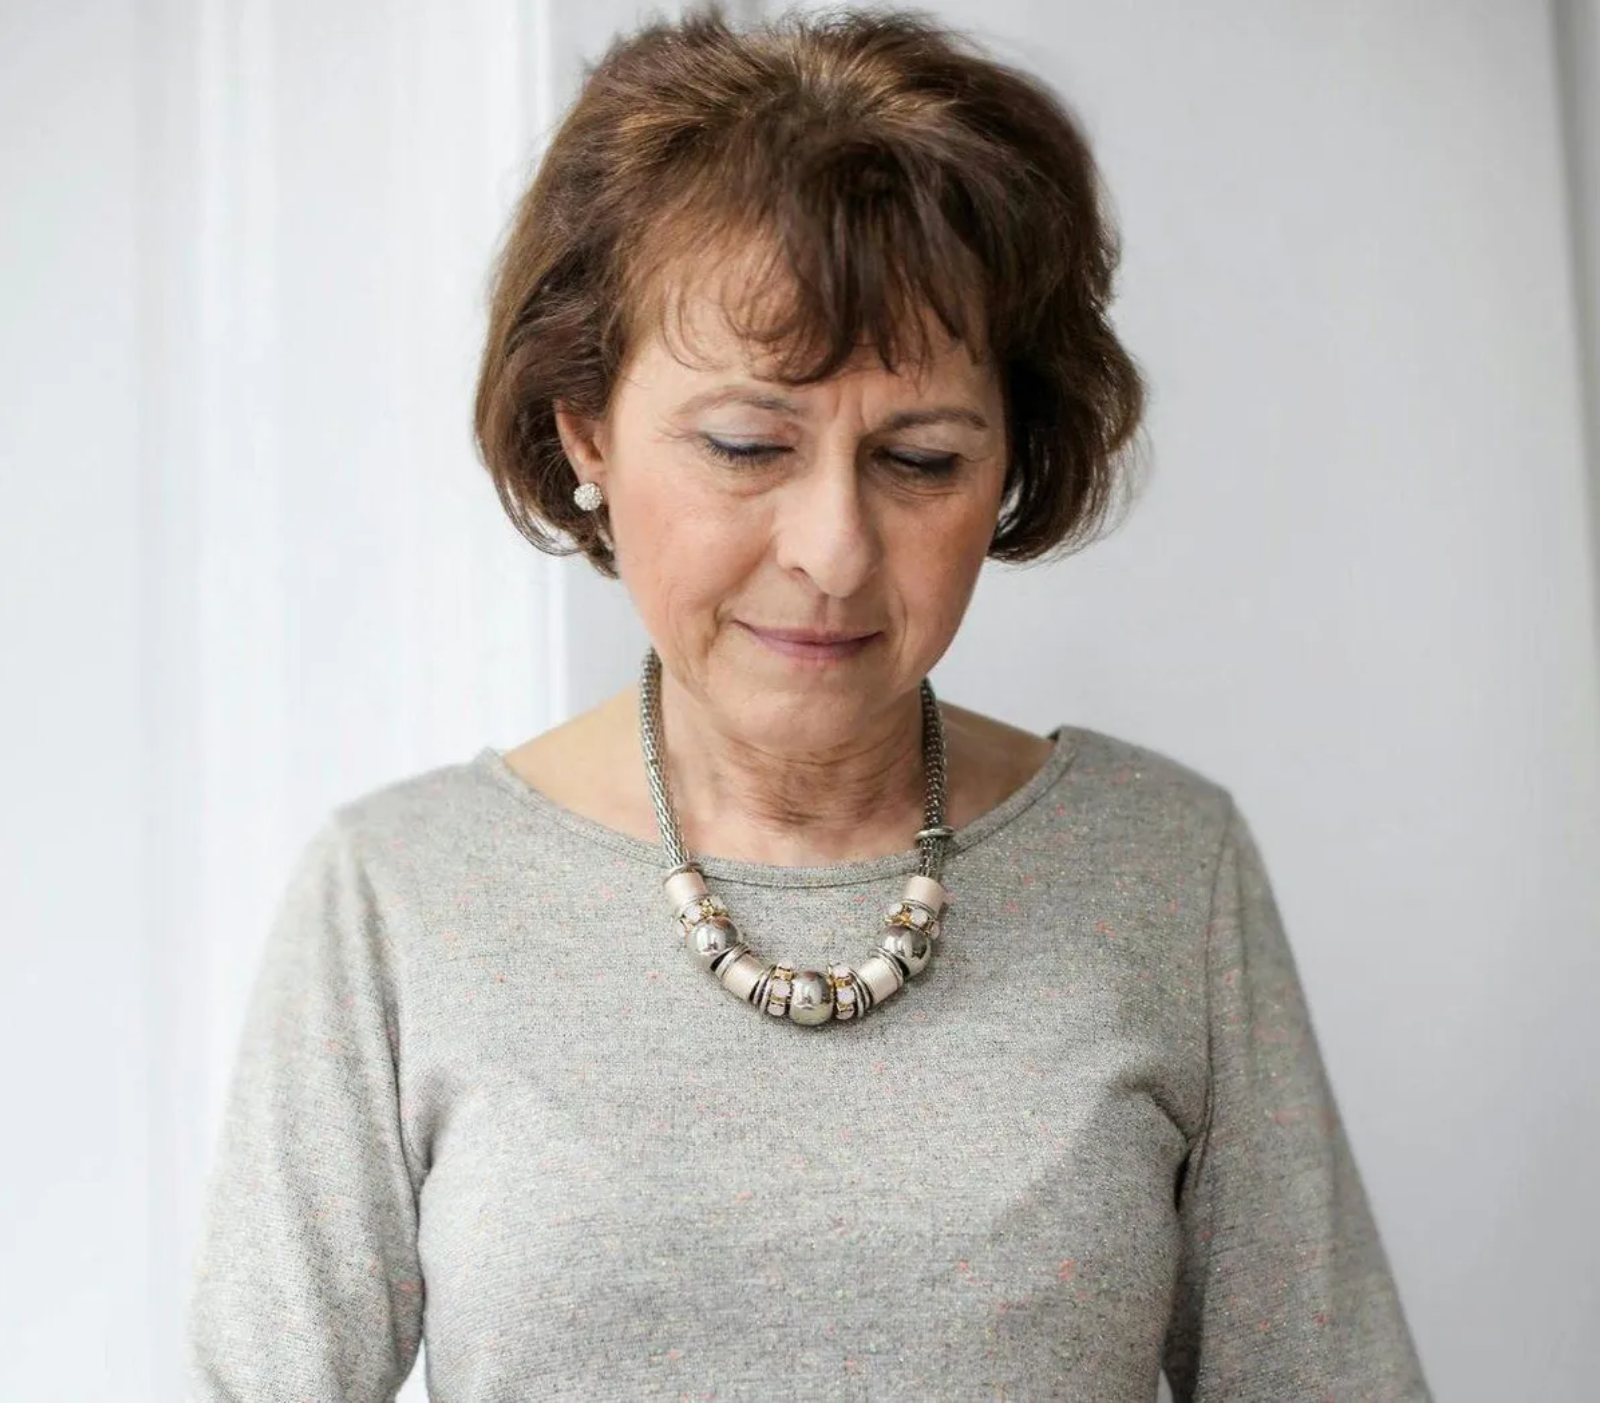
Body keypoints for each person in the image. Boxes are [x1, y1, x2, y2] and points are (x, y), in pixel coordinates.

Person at [184, 4, 1430, 1400]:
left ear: (1010, 465)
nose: (833, 551)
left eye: (921, 459)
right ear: (586, 430)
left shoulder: (1165, 870)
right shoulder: (400, 898)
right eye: (744, 444)